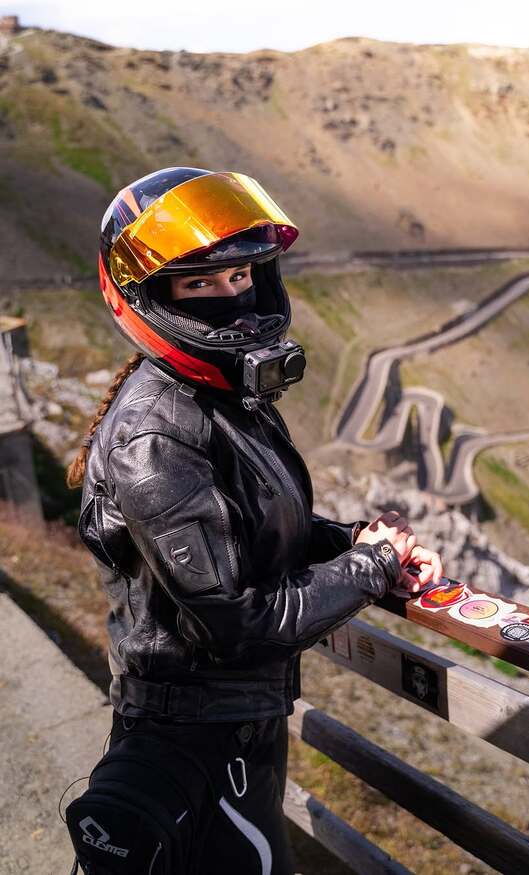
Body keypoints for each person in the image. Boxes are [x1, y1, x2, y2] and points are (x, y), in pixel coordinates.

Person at [64, 166, 444, 874]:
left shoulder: (216, 394)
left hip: (238, 724)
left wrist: (357, 542)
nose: (231, 297)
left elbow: (250, 525)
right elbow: (239, 621)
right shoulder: (159, 434)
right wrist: (371, 568)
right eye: (200, 283)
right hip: (196, 735)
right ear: (150, 297)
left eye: (241, 276)